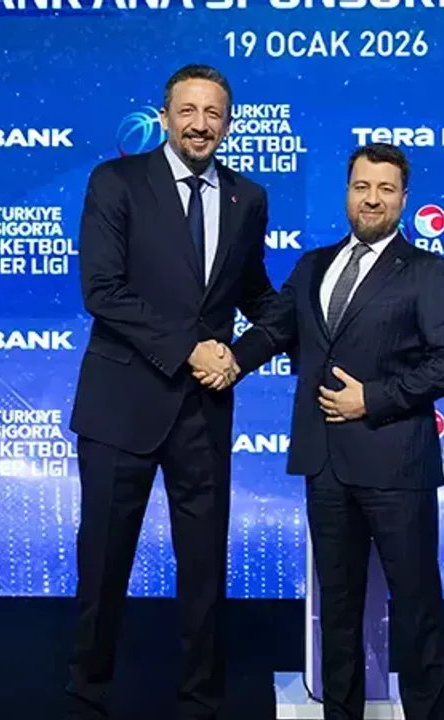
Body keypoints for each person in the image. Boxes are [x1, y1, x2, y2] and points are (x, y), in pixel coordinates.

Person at [211, 142, 444, 720]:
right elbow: (274, 331)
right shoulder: (314, 266)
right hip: (325, 465)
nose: (372, 199)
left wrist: (370, 398)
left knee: (417, 607)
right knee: (337, 608)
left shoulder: (426, 271)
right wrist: (228, 362)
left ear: (404, 199)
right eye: (362, 187)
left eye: (385, 189)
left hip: (397, 465)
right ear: (348, 193)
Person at [67, 63, 282, 720]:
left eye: (213, 113)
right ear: (164, 117)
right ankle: (87, 696)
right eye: (187, 110)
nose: (199, 124)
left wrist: (247, 355)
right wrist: (191, 348)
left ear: (229, 123)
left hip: (203, 410)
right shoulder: (116, 182)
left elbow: (255, 295)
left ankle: (200, 702)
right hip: (121, 406)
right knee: (103, 565)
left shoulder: (248, 198)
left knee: (205, 569)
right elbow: (102, 291)